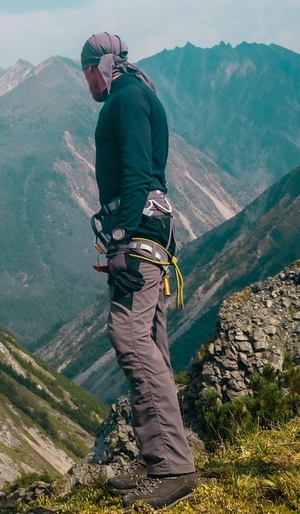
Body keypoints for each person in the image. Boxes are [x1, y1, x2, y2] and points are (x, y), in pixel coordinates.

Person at [81, 32, 198, 510]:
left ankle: (171, 467)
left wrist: (120, 240)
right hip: (156, 229)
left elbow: (134, 171)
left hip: (139, 234)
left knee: (128, 335)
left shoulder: (125, 98)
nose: (86, 82)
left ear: (95, 67)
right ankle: (159, 457)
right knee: (150, 338)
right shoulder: (141, 90)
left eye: (84, 72)